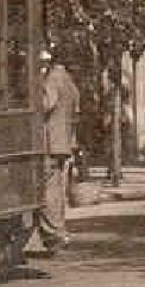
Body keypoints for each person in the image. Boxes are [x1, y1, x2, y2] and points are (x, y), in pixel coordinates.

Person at [37, 49, 79, 252]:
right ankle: (59, 230)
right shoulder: (69, 81)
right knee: (57, 189)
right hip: (62, 143)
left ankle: (54, 232)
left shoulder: (53, 79)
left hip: (49, 143)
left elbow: (45, 104)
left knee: (48, 190)